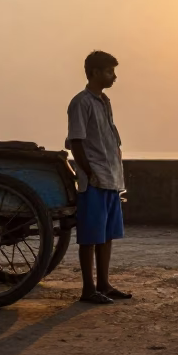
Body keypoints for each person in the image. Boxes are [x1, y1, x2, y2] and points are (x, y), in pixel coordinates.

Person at [65, 50, 131, 305]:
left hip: (110, 178)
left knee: (106, 235)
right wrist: (89, 172)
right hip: (94, 180)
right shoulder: (81, 102)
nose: (114, 77)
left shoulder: (104, 101)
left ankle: (104, 284)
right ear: (94, 73)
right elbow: (77, 142)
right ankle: (88, 288)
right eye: (109, 72)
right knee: (91, 237)